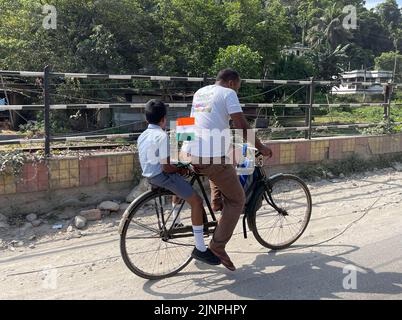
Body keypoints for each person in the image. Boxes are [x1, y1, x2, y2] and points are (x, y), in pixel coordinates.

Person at [184, 69, 272, 271]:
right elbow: (241, 125)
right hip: (210, 155)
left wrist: (182, 151)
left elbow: (192, 122)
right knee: (237, 200)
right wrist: (261, 147)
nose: (237, 92)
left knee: (224, 164)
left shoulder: (201, 92)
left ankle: (216, 203)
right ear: (232, 83)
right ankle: (217, 246)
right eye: (238, 88)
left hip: (190, 151)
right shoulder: (228, 93)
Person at [137, 99, 221, 266]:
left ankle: (176, 219)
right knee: (196, 201)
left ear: (147, 119)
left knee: (183, 181)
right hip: (165, 171)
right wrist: (181, 168)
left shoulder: (143, 135)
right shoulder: (170, 131)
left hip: (152, 172)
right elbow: (167, 166)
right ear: (163, 119)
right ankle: (200, 248)